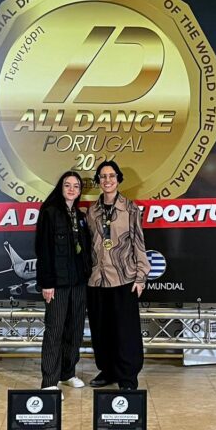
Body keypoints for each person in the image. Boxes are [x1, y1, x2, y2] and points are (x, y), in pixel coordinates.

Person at [86, 160, 149, 390]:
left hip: (124, 278)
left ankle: (127, 377)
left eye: (111, 176)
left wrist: (141, 276)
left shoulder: (130, 209)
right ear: (98, 181)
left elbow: (139, 243)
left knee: (125, 332)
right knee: (101, 330)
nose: (107, 180)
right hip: (97, 279)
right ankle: (108, 370)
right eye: (103, 176)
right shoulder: (91, 211)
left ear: (118, 179)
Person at [35, 170, 92, 389]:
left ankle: (67, 373)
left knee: (74, 330)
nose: (71, 189)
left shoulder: (80, 216)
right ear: (61, 187)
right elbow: (43, 250)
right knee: (55, 331)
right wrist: (47, 283)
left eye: (76, 186)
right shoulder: (49, 213)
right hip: (57, 284)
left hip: (78, 283)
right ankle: (50, 381)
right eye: (67, 185)